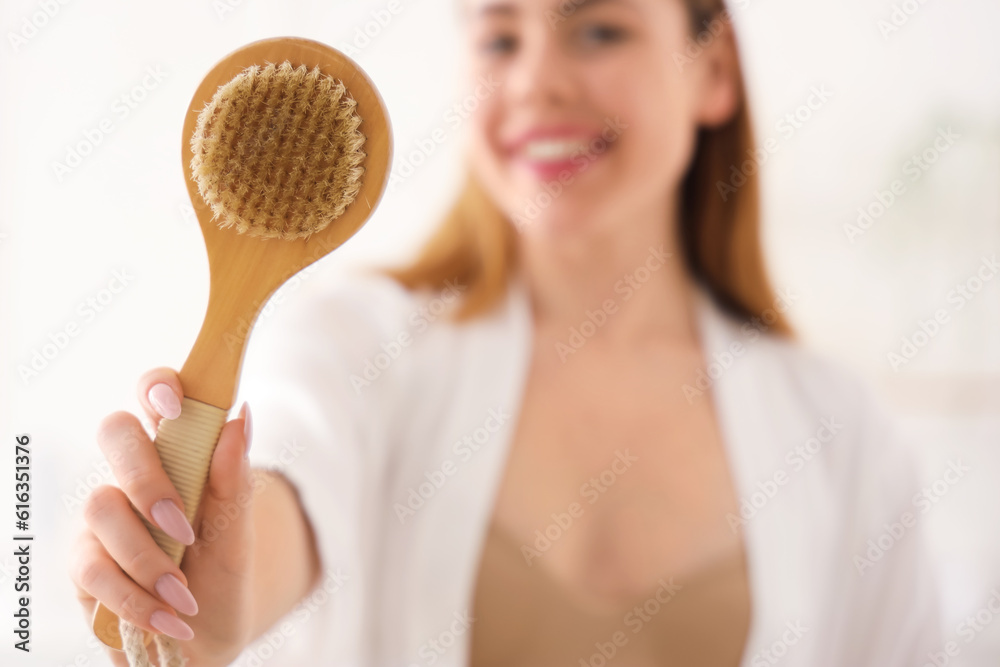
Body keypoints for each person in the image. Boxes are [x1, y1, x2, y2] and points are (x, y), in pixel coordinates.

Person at [70, 0, 944, 665]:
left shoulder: (843, 435)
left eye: (598, 29)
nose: (535, 82)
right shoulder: (353, 349)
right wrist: (216, 585)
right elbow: (286, 507)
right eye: (498, 37)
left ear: (712, 67)